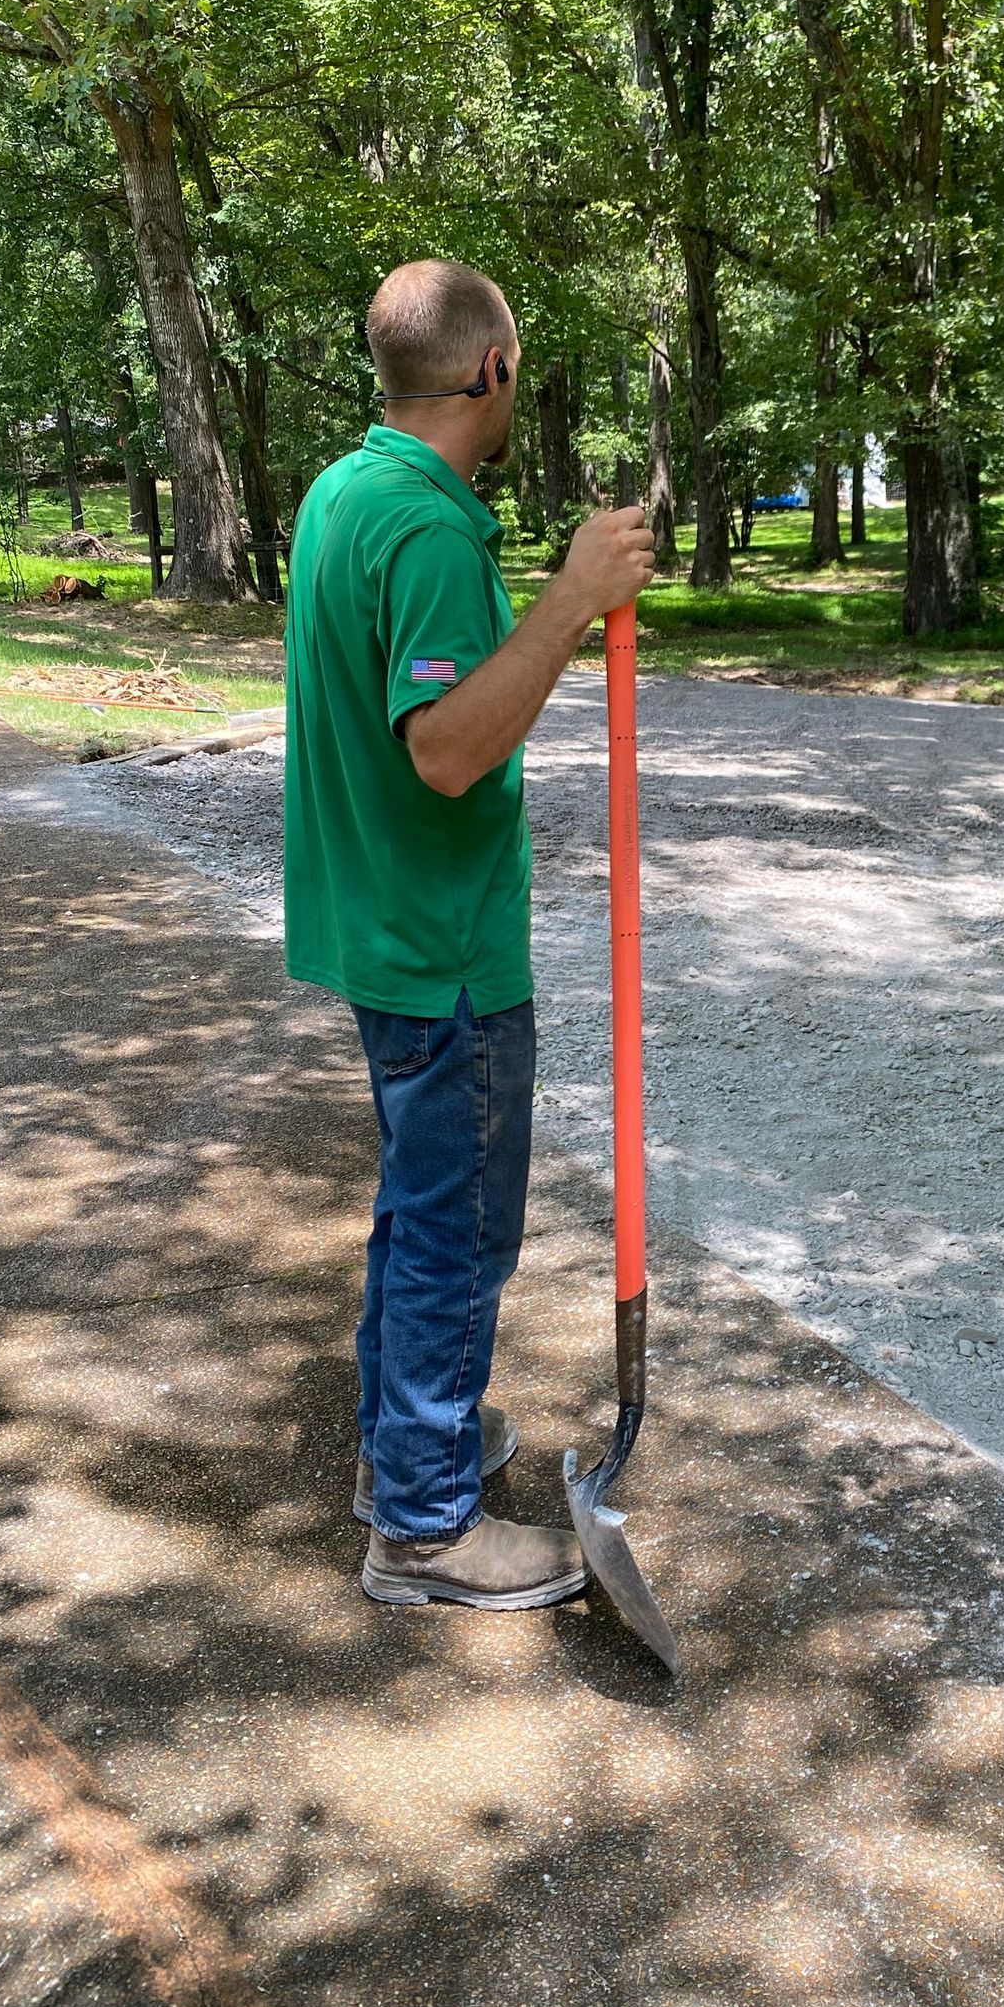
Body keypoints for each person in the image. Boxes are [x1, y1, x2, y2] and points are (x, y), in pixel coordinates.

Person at [283, 259, 654, 1607]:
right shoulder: (432, 533)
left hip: (382, 926)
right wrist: (568, 604)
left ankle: (405, 1453)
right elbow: (443, 751)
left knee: (415, 1208)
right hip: (441, 948)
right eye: (522, 360)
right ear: (490, 369)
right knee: (457, 1232)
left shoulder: (348, 488)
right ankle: (429, 1528)